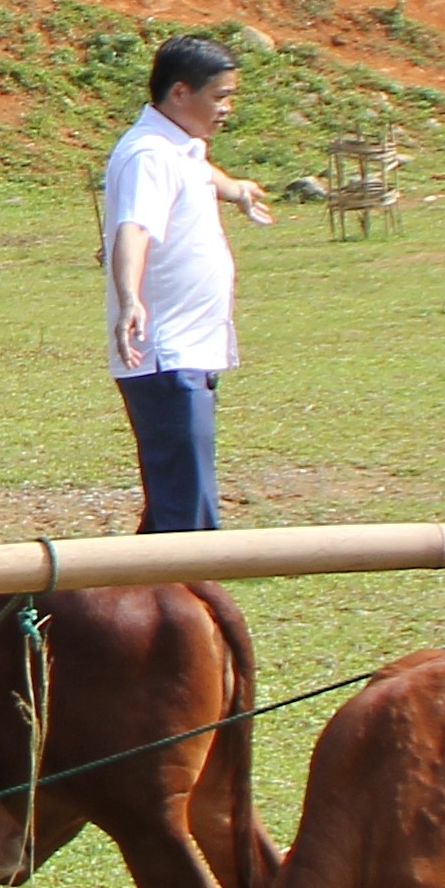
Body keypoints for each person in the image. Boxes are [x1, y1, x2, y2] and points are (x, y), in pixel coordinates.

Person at [102, 35, 271, 534]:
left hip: (187, 355)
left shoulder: (177, 149)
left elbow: (198, 168)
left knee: (174, 511)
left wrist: (236, 190)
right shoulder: (148, 156)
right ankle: (194, 606)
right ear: (180, 93)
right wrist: (130, 297)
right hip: (165, 357)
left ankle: (154, 607)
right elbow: (133, 228)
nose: (227, 108)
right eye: (219, 96)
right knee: (187, 519)